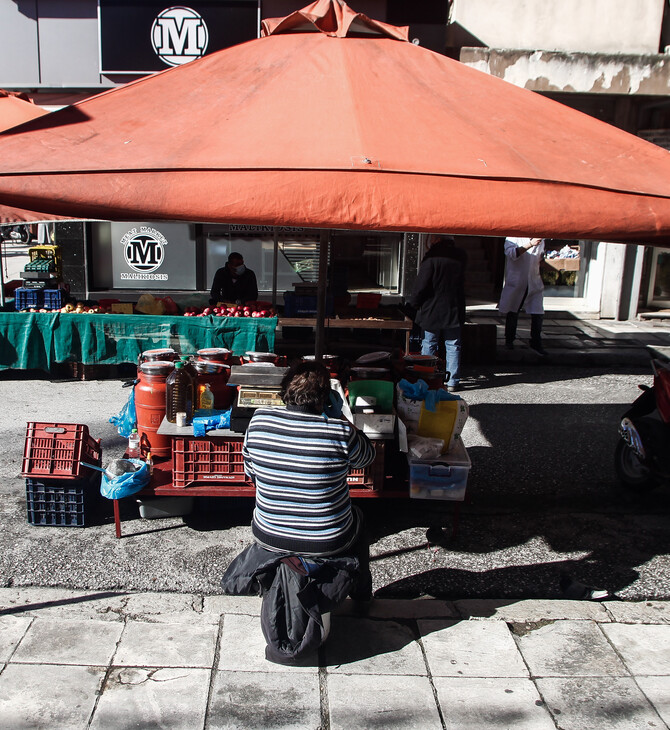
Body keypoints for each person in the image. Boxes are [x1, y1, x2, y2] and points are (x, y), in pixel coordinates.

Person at [410, 234, 467, 392]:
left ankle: (426, 378)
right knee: (453, 345)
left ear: (436, 240)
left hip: (432, 308)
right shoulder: (461, 256)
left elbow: (421, 285)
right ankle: (453, 381)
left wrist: (413, 304)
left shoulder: (431, 258)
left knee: (429, 344)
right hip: (454, 307)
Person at [498, 237, 547, 356]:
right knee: (513, 311)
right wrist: (530, 244)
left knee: (538, 313)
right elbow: (512, 254)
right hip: (517, 282)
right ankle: (509, 340)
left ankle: (536, 342)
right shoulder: (512, 238)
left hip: (534, 281)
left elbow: (539, 259)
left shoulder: (541, 240)